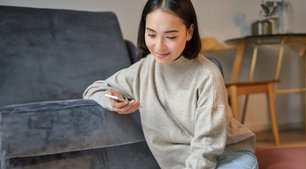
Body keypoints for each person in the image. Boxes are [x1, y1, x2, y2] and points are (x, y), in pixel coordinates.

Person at [83, 0, 258, 168]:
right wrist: (113, 101)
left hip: (226, 155)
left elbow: (208, 145)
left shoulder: (207, 75)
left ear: (189, 32)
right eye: (151, 34)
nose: (159, 46)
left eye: (170, 36)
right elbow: (93, 89)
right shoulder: (143, 70)